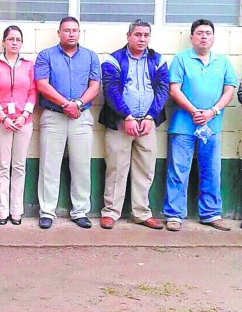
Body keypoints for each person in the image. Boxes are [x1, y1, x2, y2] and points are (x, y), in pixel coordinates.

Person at [163, 19, 237, 232]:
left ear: (213, 38)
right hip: (184, 124)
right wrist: (194, 111)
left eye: (208, 33)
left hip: (212, 125)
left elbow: (229, 88)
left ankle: (211, 213)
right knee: (178, 170)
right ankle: (174, 214)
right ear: (192, 37)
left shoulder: (222, 61)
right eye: (199, 33)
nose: (204, 36)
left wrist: (213, 111)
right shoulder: (181, 59)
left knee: (211, 170)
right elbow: (174, 89)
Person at [98, 19, 168, 230]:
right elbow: (110, 91)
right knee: (116, 168)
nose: (142, 39)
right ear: (128, 36)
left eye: (146, 35)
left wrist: (150, 117)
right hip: (120, 124)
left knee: (145, 169)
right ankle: (111, 212)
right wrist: (126, 116)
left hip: (147, 124)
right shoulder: (113, 59)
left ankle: (141, 213)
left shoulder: (158, 59)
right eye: (138, 35)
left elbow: (163, 89)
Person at [34, 16, 100, 229]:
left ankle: (80, 211)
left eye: (75, 30)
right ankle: (47, 211)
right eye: (67, 30)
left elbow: (95, 86)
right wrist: (66, 104)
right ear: (59, 33)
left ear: (79, 33)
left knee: (81, 166)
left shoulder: (90, 57)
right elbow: (42, 84)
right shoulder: (46, 55)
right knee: (49, 166)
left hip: (81, 117)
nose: (71, 33)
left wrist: (78, 104)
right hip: (54, 116)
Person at [0, 25, 36, 226]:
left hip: (24, 122)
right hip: (1, 122)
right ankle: (2, 210)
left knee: (19, 166)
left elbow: (33, 91)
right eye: (11, 39)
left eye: (18, 39)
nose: (14, 43)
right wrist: (3, 116)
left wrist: (24, 115)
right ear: (4, 42)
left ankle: (16, 210)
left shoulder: (28, 65)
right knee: (3, 166)